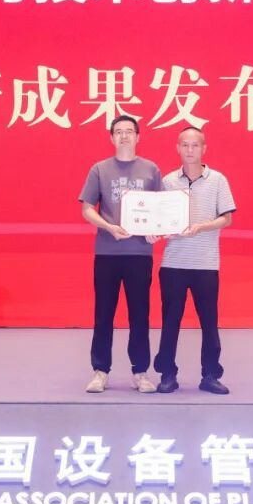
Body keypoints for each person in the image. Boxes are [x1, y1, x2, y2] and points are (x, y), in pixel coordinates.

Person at [78, 115, 163, 394]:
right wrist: (108, 227)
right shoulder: (99, 169)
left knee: (140, 314)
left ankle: (140, 372)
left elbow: (160, 210)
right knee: (103, 314)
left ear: (138, 137)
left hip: (139, 254)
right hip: (107, 252)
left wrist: (156, 231)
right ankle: (100, 371)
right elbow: (87, 209)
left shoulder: (150, 169)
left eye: (129, 131)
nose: (124, 136)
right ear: (111, 137)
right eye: (118, 132)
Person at [153, 127, 236, 395]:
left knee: (209, 322)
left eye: (195, 145)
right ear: (177, 148)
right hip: (173, 264)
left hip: (205, 264)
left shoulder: (218, 180)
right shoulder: (167, 182)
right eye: (185, 145)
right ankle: (167, 374)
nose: (190, 150)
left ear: (204, 149)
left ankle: (210, 375)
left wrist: (201, 227)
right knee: (170, 322)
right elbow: (159, 219)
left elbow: (227, 218)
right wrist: (156, 231)